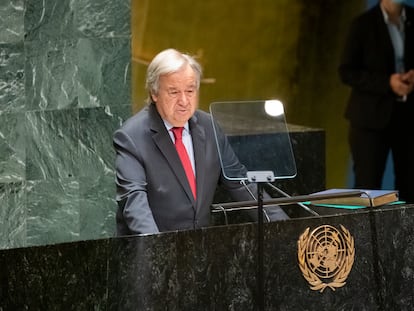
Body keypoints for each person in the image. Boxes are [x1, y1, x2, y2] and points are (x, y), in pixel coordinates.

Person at [113, 48, 289, 235]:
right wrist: (159, 253)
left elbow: (241, 183)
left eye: (190, 91)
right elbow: (134, 203)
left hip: (201, 251)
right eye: (173, 92)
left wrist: (285, 228)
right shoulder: (131, 136)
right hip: (155, 252)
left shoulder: (208, 126)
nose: (184, 101)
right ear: (154, 93)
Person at [338, 0, 414, 203]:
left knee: (410, 186)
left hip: (407, 117)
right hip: (369, 119)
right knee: (368, 187)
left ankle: (407, 234)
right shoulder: (363, 24)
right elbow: (346, 71)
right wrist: (387, 82)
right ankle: (364, 235)